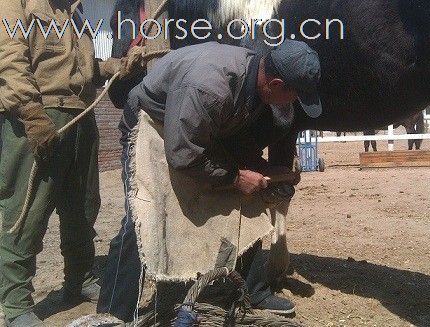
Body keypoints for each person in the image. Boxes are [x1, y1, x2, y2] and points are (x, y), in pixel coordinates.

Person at [96, 39, 322, 323]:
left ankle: (253, 290)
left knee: (247, 199)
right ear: (276, 84)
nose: (293, 106)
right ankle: (113, 313)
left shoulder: (256, 77)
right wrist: (236, 177)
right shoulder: (210, 87)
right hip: (152, 121)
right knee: (143, 215)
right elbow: (184, 156)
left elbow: (232, 139)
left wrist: (263, 171)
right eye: (294, 98)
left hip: (191, 124)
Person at [0, 1, 140, 326]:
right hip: (37, 118)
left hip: (81, 115)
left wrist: (115, 65)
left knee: (82, 208)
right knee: (26, 214)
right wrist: (32, 115)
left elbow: (84, 66)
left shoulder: (74, 12)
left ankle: (78, 281)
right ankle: (18, 304)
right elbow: (8, 60)